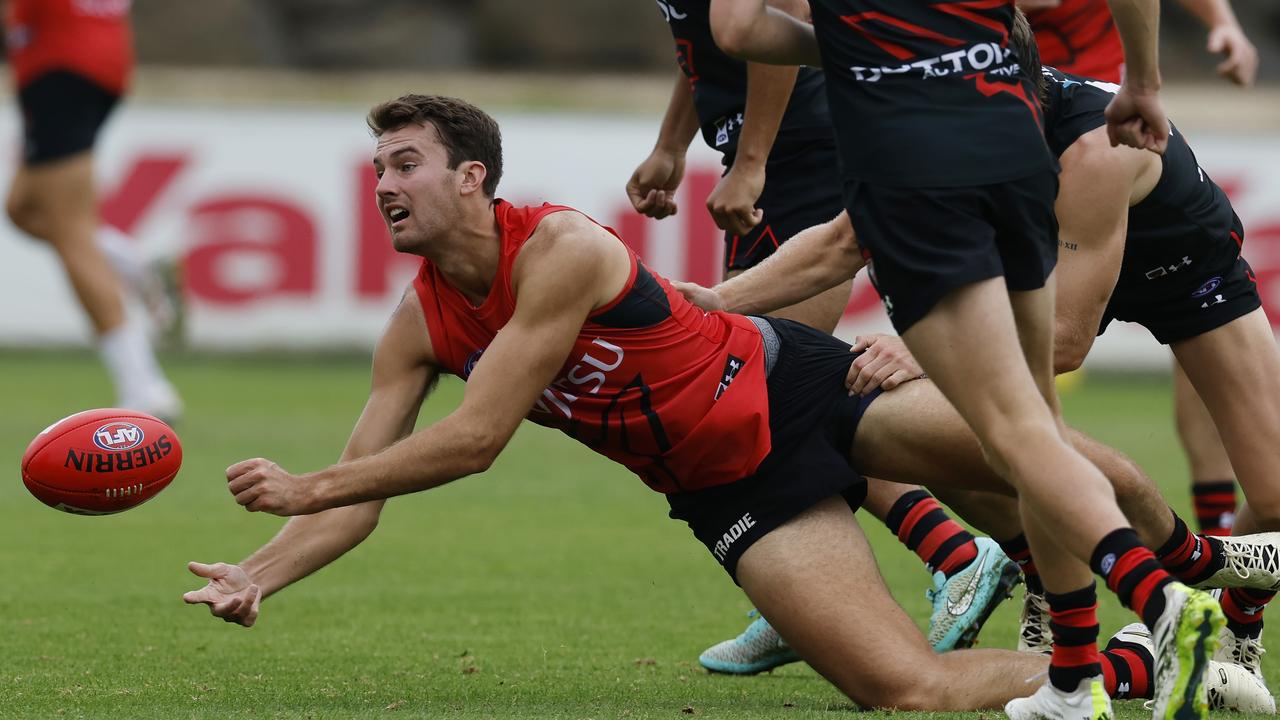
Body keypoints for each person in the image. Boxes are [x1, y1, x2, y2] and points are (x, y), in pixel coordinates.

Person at [182, 95, 1262, 715]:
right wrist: (260, 572)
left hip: (798, 387)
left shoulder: (557, 247)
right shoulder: (420, 324)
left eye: (404, 163)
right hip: (728, 489)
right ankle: (1145, 670)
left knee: (1034, 457)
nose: (381, 185)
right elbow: (359, 496)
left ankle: (1191, 572)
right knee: (903, 692)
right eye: (374, 168)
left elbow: (473, 444)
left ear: (472, 178)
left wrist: (303, 483)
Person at [675, 10, 1279, 699]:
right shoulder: (953, 117)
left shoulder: (1095, 148)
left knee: (1274, 491)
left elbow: (1067, 339)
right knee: (934, 420)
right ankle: (1080, 633)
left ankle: (1220, 629)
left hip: (1184, 276)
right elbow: (845, 240)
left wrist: (925, 347)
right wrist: (719, 302)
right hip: (1054, 263)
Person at [628, 0, 1014, 668]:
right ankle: (807, 602)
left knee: (778, 398)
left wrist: (752, 160)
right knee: (767, 402)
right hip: (787, 148)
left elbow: (777, 16)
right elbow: (706, 40)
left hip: (802, 150)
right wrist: (671, 144)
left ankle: (959, 552)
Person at [1019, 0, 1259, 544]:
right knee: (1027, 425)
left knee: (1265, 483)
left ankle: (1210, 562)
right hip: (1014, 142)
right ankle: (1060, 608)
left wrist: (1222, 22)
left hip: (1105, 131)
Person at [3, 0, 181, 420]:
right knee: (24, 209)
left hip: (59, 64)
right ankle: (137, 264)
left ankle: (145, 386)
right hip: (99, 57)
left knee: (69, 231)